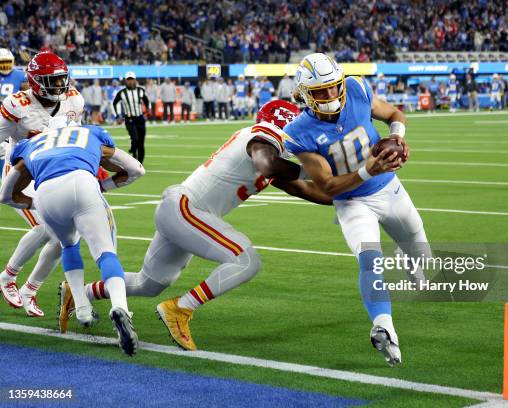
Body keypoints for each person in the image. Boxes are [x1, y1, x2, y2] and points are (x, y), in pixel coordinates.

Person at [61, 101, 332, 351]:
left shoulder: (270, 155)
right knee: (246, 259)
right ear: (283, 123)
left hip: (181, 211)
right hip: (186, 208)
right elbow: (268, 163)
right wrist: (314, 169)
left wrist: (356, 186)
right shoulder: (262, 137)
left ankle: (79, 293)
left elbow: (312, 192)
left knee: (149, 283)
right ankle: (181, 309)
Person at [285, 53, 430, 366]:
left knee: (423, 254)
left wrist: (396, 137)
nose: (330, 95)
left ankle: (409, 257)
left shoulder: (357, 89)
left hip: (390, 189)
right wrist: (368, 171)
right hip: (351, 201)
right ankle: (384, 327)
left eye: (333, 87)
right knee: (370, 261)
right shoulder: (300, 131)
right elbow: (327, 186)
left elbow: (394, 113)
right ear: (306, 93)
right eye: (321, 91)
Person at [0, 121, 144, 355]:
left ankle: (83, 309)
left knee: (68, 244)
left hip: (45, 194)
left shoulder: (31, 144)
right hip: (81, 183)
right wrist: (102, 186)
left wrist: (36, 203)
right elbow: (136, 169)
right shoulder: (89, 133)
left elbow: (6, 195)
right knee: (105, 252)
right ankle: (120, 308)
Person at [0, 51, 84, 317]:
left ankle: (30, 290)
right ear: (36, 82)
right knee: (46, 227)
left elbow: (73, 139)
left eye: (61, 79)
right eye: (52, 81)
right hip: (22, 177)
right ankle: (7, 277)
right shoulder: (18, 104)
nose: (59, 86)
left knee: (68, 237)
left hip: (53, 174)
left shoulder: (73, 100)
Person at [113, 72, 149, 163]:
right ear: (126, 81)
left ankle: (140, 162)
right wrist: (118, 116)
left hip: (140, 118)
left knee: (141, 142)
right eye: (128, 80)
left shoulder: (141, 90)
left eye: (132, 79)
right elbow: (115, 103)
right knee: (135, 138)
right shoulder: (122, 93)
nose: (130, 82)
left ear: (135, 80)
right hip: (129, 119)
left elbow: (146, 101)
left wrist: (147, 111)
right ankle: (133, 151)